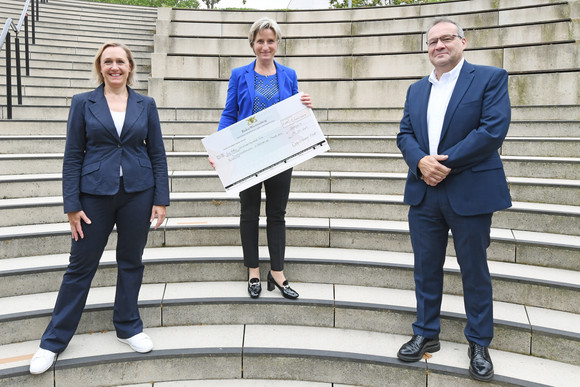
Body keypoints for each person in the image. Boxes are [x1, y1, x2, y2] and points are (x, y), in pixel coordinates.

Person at [29, 42, 170, 375]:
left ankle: (128, 326)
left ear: (130, 66)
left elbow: (158, 154)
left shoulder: (145, 104)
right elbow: (73, 155)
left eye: (120, 61)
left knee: (131, 261)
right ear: (100, 66)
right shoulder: (83, 103)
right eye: (108, 61)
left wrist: (161, 198)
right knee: (80, 266)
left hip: (139, 192)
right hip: (93, 195)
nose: (115, 67)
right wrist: (71, 204)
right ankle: (53, 341)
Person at [396, 18, 512, 382]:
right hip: (424, 193)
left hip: (470, 191)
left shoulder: (491, 78)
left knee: (474, 272)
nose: (439, 45)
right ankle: (426, 333)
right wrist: (419, 161)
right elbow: (405, 133)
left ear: (464, 41)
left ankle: (479, 343)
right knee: (425, 268)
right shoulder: (416, 89)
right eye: (432, 41)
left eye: (446, 38)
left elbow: (492, 130)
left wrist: (442, 164)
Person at [214, 17, 311, 300]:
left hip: (281, 154)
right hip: (248, 155)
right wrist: (219, 148)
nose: (265, 46)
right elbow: (230, 113)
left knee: (277, 214)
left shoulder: (289, 75)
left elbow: (295, 111)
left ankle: (277, 272)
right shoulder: (239, 74)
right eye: (260, 41)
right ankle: (253, 270)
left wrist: (304, 106)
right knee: (249, 213)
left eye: (270, 41)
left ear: (277, 44)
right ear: (252, 44)